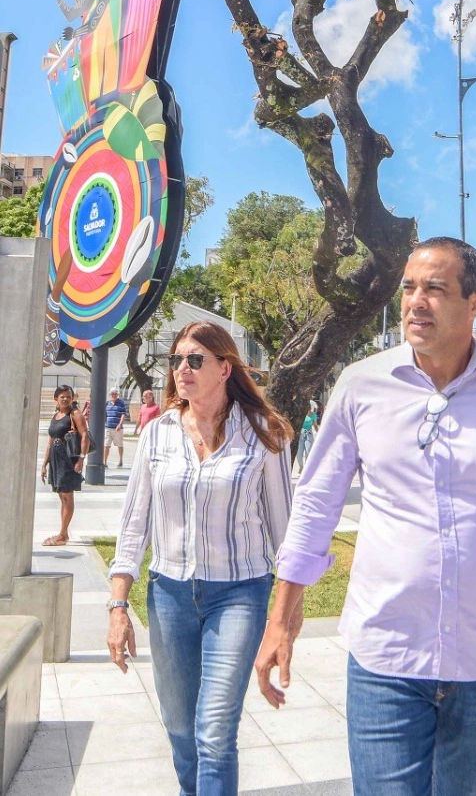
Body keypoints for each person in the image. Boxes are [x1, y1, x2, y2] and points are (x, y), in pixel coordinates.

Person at [255, 237, 476, 796]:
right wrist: (282, 618)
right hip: (385, 651)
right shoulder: (361, 384)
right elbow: (316, 501)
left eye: (435, 288)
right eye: (409, 288)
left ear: (475, 303)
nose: (415, 302)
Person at [106, 322, 293, 796]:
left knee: (214, 731)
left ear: (224, 368)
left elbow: (285, 530)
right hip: (168, 595)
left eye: (194, 360)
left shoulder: (265, 434)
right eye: (176, 360)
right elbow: (133, 524)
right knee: (179, 727)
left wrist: (286, 618)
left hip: (240, 594)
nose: (181, 369)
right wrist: (118, 606)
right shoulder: (157, 433)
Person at [41, 385, 90, 546]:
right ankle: (63, 532)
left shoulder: (75, 414)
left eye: (68, 396)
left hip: (68, 457)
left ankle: (63, 534)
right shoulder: (56, 415)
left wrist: (81, 459)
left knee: (67, 495)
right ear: (56, 398)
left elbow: (84, 436)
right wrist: (44, 464)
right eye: (62, 396)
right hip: (56, 456)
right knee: (61, 495)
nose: (65, 399)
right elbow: (49, 442)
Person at [103, 386, 128, 468]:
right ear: (110, 395)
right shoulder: (107, 403)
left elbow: (123, 414)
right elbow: (105, 414)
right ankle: (105, 461)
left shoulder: (121, 403)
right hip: (108, 427)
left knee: (120, 444)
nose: (114, 395)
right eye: (112, 394)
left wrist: (120, 424)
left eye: (115, 394)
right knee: (106, 445)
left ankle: (120, 460)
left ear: (117, 394)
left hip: (118, 428)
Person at [295, 400, 317, 472]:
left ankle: (306, 470)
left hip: (309, 435)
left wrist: (319, 434)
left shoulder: (313, 415)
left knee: (308, 452)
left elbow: (315, 425)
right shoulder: (301, 414)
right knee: (299, 453)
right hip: (301, 435)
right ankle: (301, 466)